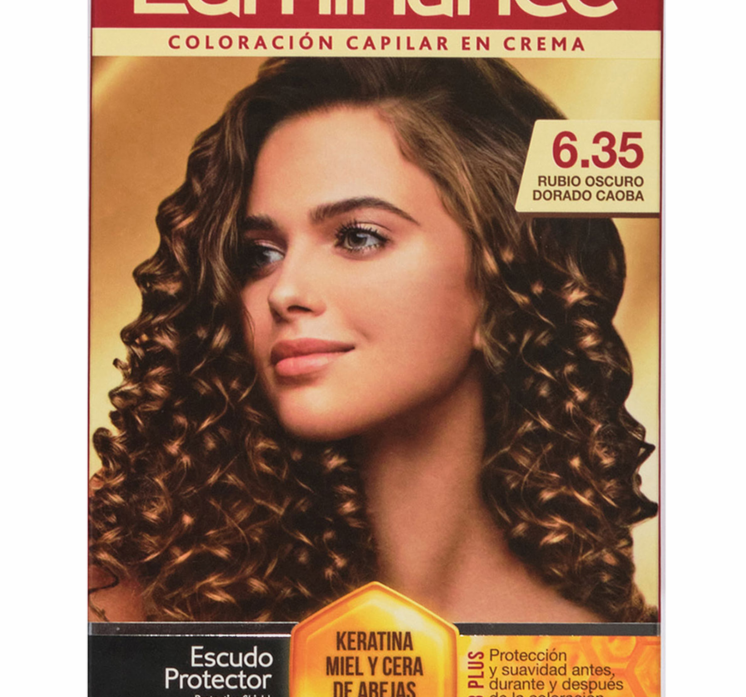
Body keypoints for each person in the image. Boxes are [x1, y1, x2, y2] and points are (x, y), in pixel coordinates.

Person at [88, 58, 658, 624]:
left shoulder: (612, 658)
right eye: (260, 254)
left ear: (504, 277)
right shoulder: (121, 591)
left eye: (359, 237)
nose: (283, 291)